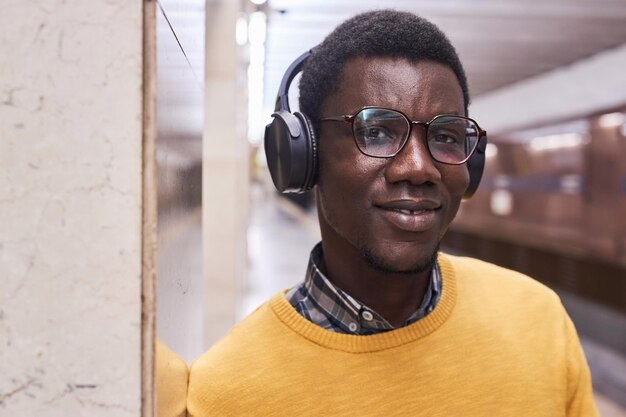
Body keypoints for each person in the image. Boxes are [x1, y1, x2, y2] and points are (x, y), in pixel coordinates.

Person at [187, 10, 598, 416]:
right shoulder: (228, 391)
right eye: (376, 132)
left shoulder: (538, 322)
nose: (419, 167)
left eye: (445, 136)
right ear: (303, 157)